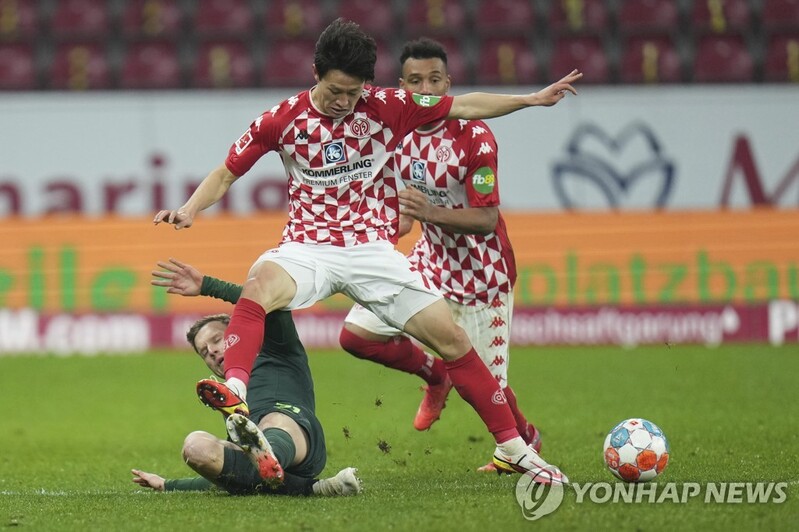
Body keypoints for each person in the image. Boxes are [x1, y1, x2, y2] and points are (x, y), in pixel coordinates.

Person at [154, 18, 580, 485]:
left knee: (453, 341)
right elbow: (225, 173)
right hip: (308, 246)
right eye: (336, 90)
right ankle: (236, 389)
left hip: (372, 250)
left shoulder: (388, 106)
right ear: (316, 72)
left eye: (354, 92)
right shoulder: (282, 119)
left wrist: (531, 99)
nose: (344, 102)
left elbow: (464, 104)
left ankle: (516, 449)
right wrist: (190, 208)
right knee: (259, 286)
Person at [339, 38, 539, 473]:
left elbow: (486, 220)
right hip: (429, 263)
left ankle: (525, 445)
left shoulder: (476, 137)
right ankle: (434, 374)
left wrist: (429, 211)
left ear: (448, 84)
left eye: (434, 79)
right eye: (415, 81)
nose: (425, 88)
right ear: (402, 86)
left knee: (487, 391)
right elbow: (405, 212)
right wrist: (390, 228)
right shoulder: (398, 131)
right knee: (356, 335)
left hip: (483, 276)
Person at [132, 258, 362, 497]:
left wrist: (208, 286)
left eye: (216, 340)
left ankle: (278, 462)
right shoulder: (226, 393)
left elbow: (261, 295)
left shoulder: (276, 346)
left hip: (299, 437)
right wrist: (168, 484)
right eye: (204, 352)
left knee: (272, 422)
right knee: (194, 445)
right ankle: (311, 488)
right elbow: (232, 476)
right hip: (257, 454)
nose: (211, 351)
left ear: (237, 330)